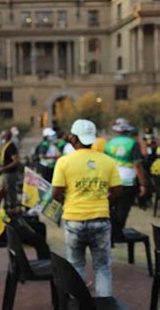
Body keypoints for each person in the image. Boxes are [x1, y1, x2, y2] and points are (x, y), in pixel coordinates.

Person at [52, 119, 122, 297]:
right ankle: (105, 306)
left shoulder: (64, 162)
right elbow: (117, 192)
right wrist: (102, 202)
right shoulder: (107, 161)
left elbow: (56, 193)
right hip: (100, 219)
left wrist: (69, 202)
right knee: (102, 268)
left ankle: (77, 304)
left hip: (74, 220)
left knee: (75, 267)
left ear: (74, 138)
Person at [0, 167, 50, 259]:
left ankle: (42, 262)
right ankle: (42, 267)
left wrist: (12, 211)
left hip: (5, 223)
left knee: (40, 227)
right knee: (39, 241)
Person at [105, 118, 147, 229]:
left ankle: (111, 232)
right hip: (128, 181)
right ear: (128, 131)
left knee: (111, 207)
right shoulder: (133, 143)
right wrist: (142, 184)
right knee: (123, 208)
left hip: (112, 180)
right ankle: (118, 231)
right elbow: (137, 165)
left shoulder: (109, 143)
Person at [0, 130, 20, 208]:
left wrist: (3, 169)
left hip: (10, 174)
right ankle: (7, 206)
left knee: (10, 192)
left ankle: (13, 208)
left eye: (2, 136)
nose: (1, 137)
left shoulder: (11, 146)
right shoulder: (5, 145)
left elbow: (16, 161)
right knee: (4, 190)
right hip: (6, 173)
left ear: (6, 136)